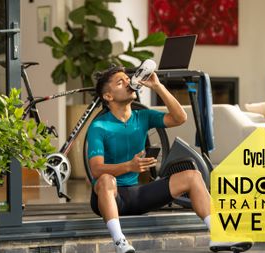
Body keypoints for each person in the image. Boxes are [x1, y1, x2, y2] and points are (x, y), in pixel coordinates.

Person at [86, 66, 253, 253]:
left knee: (192, 175)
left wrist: (157, 86)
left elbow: (180, 117)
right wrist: (129, 166)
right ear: (108, 96)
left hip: (137, 195)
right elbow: (96, 169)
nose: (128, 82)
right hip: (110, 197)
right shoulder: (99, 126)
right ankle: (120, 243)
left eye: (127, 78)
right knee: (106, 179)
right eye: (120, 82)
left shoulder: (143, 116)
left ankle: (218, 235)